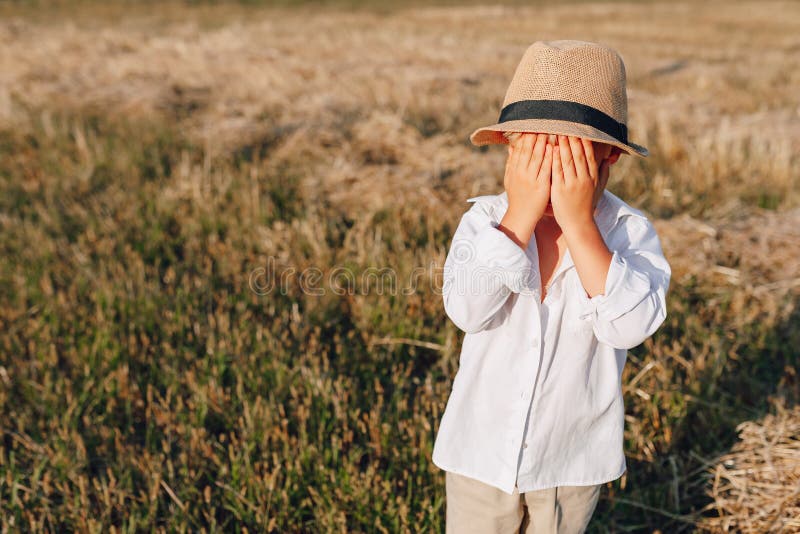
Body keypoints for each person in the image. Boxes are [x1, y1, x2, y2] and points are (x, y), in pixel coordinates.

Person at [431, 40, 672, 533]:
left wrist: (581, 227)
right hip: (480, 453)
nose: (549, 170)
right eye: (536, 150)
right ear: (510, 147)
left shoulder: (628, 232)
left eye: (568, 154)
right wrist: (518, 219)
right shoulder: (486, 220)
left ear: (609, 157)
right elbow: (467, 311)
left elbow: (630, 327)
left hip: (570, 461)